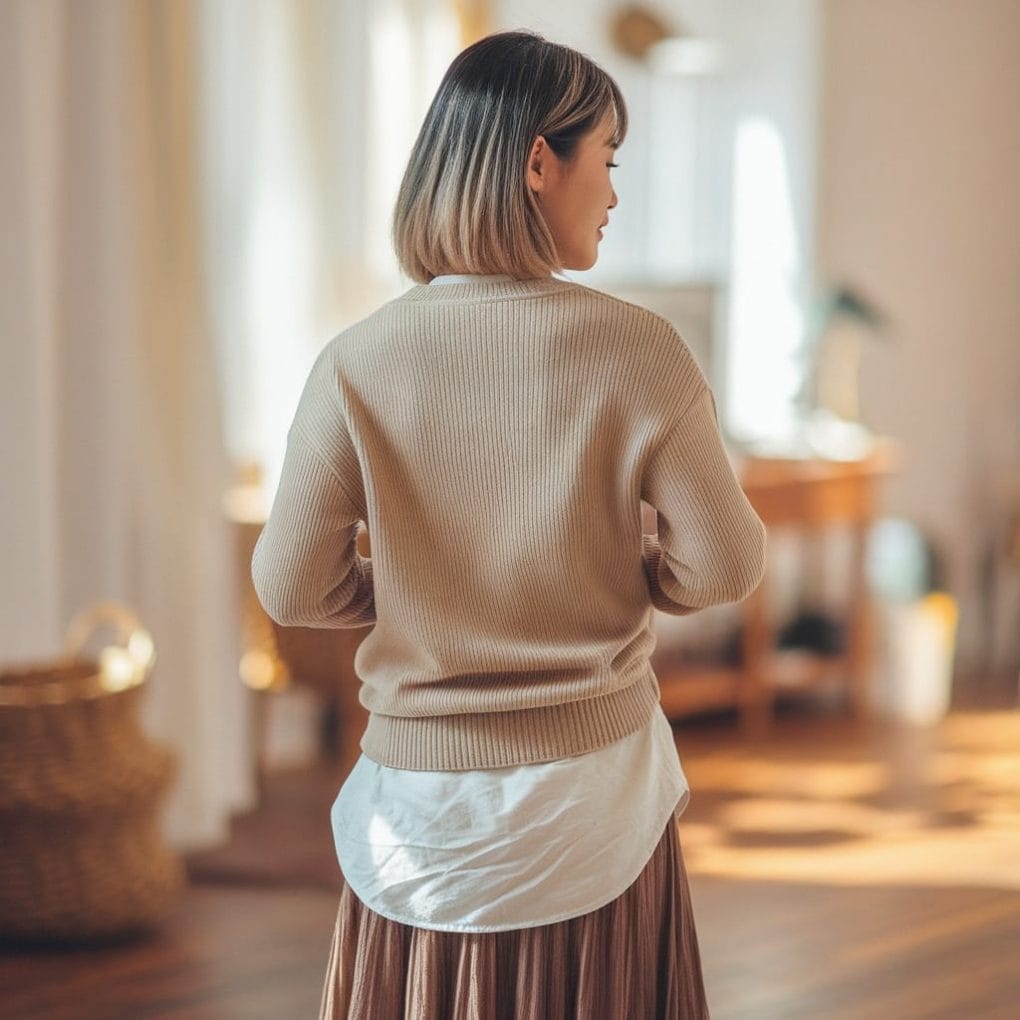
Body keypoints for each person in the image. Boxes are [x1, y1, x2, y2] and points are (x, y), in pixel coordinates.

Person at [252, 28, 767, 1020]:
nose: (613, 193)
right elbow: (725, 564)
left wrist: (420, 589)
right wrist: (607, 570)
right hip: (595, 807)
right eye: (607, 159)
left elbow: (290, 584)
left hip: (418, 818)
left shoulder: (355, 361)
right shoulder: (640, 350)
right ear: (540, 163)